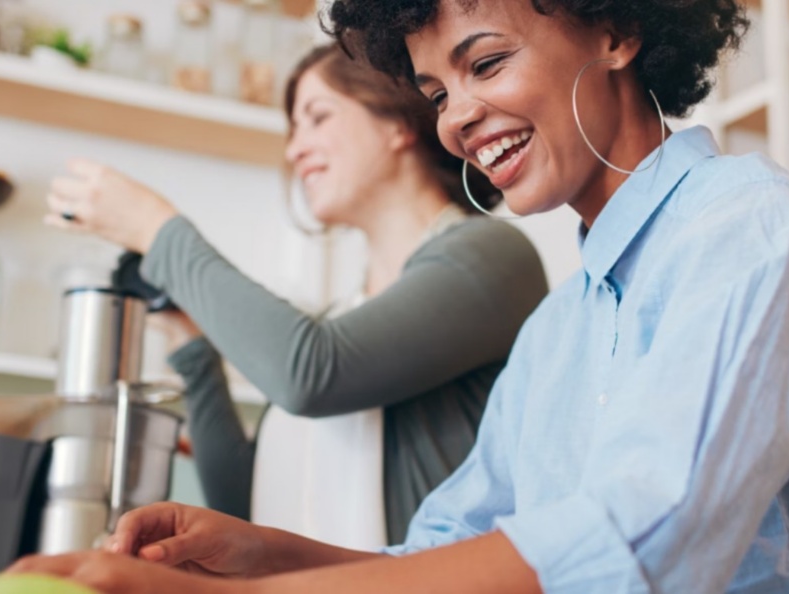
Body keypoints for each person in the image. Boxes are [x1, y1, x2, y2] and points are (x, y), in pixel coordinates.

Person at [16, 0, 789, 592]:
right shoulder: (558, 326)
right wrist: (263, 553)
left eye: (485, 62)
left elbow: (645, 546)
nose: (459, 116)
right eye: (436, 91)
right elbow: (448, 558)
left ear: (618, 27)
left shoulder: (754, 229)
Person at [43, 44, 549, 549]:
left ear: (397, 121)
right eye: (294, 130)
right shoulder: (338, 321)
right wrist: (192, 345)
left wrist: (156, 230)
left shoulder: (487, 254)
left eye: (317, 118)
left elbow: (310, 373)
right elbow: (246, 512)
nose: (294, 150)